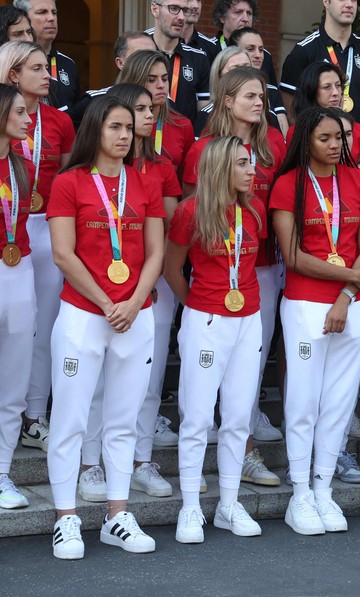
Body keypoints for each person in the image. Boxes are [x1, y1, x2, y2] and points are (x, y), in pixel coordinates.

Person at [46, 96, 165, 559]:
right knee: (72, 420)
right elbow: (62, 254)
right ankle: (65, 517)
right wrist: (106, 301)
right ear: (95, 129)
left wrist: (133, 302)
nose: (123, 135)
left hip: (134, 315)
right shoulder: (68, 183)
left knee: (123, 421)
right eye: (115, 126)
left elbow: (155, 252)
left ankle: (117, 515)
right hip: (83, 314)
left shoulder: (145, 182)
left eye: (129, 128)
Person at [269, 107, 360, 535]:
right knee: (303, 403)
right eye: (325, 139)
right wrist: (350, 277)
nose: (335, 146)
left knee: (339, 404)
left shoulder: (359, 182)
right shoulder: (286, 186)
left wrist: (347, 295)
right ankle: (300, 494)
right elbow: (292, 256)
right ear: (305, 141)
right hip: (305, 304)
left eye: (340, 139)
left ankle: (323, 489)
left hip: (350, 306)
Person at [77, 83, 183, 503]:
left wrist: (138, 296)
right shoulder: (85, 174)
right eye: (137, 109)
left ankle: (140, 461)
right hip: (99, 298)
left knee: (145, 383)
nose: (145, 117)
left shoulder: (156, 170)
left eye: (149, 109)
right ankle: (90, 463)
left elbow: (165, 238)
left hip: (144, 294)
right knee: (98, 386)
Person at [184, 66, 287, 485]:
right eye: (250, 96)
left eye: (262, 96)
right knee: (206, 373)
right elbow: (193, 219)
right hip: (213, 274)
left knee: (250, 366)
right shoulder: (203, 148)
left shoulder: (274, 144)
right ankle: (199, 453)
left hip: (261, 267)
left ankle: (243, 450)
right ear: (226, 100)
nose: (259, 103)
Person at [166, 135, 265, 543]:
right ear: (223, 167)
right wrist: (198, 308)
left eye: (251, 162)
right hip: (207, 319)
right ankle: (190, 506)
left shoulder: (254, 210)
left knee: (239, 417)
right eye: (243, 163)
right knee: (198, 418)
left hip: (249, 320)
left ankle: (228, 504)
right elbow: (172, 268)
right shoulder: (191, 211)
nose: (251, 170)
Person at [0, 41, 74, 453]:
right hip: (13, 224)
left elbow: (63, 176)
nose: (48, 75)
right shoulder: (9, 120)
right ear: (13, 75)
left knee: (39, 326)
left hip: (40, 230)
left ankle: (33, 414)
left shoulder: (59, 122)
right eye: (36, 69)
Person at [0, 83, 37, 510]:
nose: (29, 119)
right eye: (21, 113)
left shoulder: (23, 166)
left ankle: (3, 472)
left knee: (12, 383)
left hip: (19, 268)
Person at [280, 0, 360, 130]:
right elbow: (291, 112)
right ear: (326, 2)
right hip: (316, 145)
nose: (349, 4)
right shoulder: (304, 50)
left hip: (357, 145)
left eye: (353, 0)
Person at [117, 50, 195, 175]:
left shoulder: (182, 125)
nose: (161, 85)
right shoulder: (111, 124)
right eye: (151, 80)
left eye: (165, 79)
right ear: (134, 81)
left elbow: (185, 179)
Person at [290, 61, 360, 177]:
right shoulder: (298, 130)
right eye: (326, 87)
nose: (335, 93)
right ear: (312, 91)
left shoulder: (358, 130)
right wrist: (354, 173)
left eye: (338, 86)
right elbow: (296, 174)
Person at [67, 32, 157, 130]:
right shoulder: (95, 101)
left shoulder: (163, 99)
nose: (150, 61)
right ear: (120, 63)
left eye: (153, 55)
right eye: (140, 56)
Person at [148, 0, 211, 122]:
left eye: (185, 11)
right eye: (174, 8)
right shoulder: (139, 50)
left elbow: (203, 111)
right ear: (155, 9)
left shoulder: (199, 58)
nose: (182, 17)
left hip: (183, 138)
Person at [13, 0, 78, 110]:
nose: (51, 18)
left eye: (54, 12)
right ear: (22, 18)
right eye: (42, 12)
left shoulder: (68, 64)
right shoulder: (10, 61)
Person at [228, 27, 287, 134]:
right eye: (250, 49)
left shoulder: (272, 91)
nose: (258, 55)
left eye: (261, 50)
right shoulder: (223, 90)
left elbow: (284, 135)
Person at [209, 0, 277, 87]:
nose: (245, 19)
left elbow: (271, 93)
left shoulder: (263, 55)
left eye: (249, 13)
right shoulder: (208, 49)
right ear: (222, 17)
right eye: (238, 12)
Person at [194, 46, 252, 136]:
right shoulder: (208, 115)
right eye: (234, 69)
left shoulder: (262, 110)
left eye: (247, 68)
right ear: (219, 75)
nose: (242, 74)